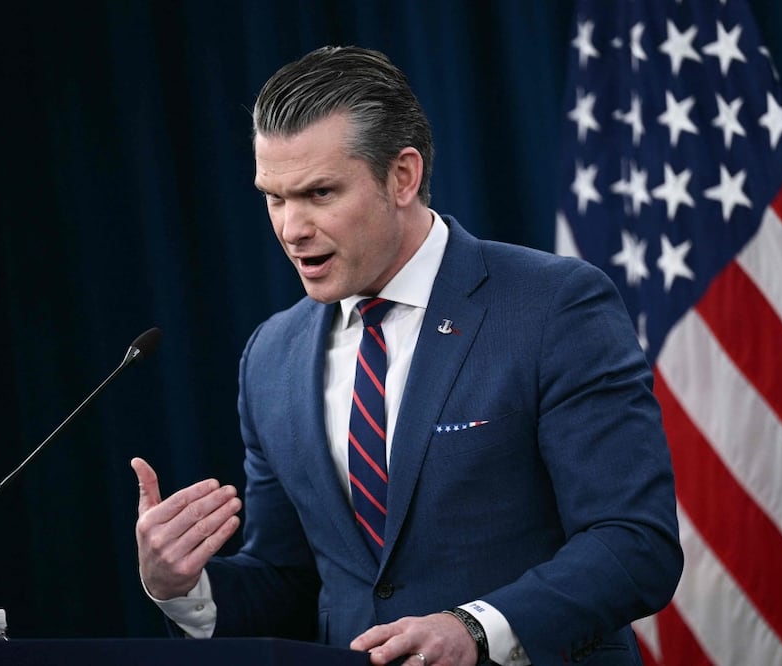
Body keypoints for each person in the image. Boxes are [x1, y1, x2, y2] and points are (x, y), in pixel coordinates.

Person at [132, 46, 682, 665]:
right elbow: (291, 583)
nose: (291, 228)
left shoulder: (553, 307)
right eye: (275, 197)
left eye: (319, 193)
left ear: (402, 177)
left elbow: (634, 543)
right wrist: (183, 588)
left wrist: (475, 630)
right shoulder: (272, 357)